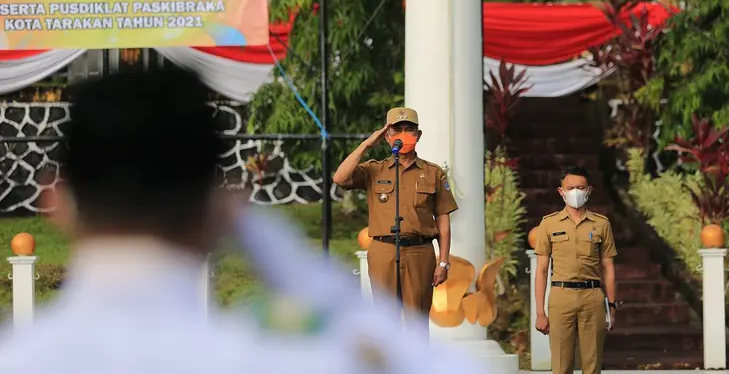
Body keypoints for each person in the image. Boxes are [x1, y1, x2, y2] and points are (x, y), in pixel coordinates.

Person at [0, 68, 487, 374]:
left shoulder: (15, 359)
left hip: (420, 253)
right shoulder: (285, 358)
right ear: (218, 210)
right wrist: (311, 278)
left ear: (55, 200)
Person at [332, 107, 457, 326]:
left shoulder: (433, 173)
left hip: (420, 251)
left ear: (418, 135)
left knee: (416, 322)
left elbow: (443, 221)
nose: (403, 134)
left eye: (409, 129)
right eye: (396, 130)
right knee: (384, 322)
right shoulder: (374, 170)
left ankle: (416, 361)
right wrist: (367, 144)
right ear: (387, 136)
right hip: (384, 250)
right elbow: (340, 178)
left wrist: (444, 262)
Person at [533, 166, 619, 374]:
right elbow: (542, 270)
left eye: (580, 187)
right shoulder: (549, 224)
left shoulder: (601, 224)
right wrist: (539, 313)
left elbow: (608, 267)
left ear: (589, 190)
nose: (576, 192)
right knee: (562, 364)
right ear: (561, 192)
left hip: (592, 296)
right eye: (570, 188)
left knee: (592, 362)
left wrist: (612, 306)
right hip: (561, 296)